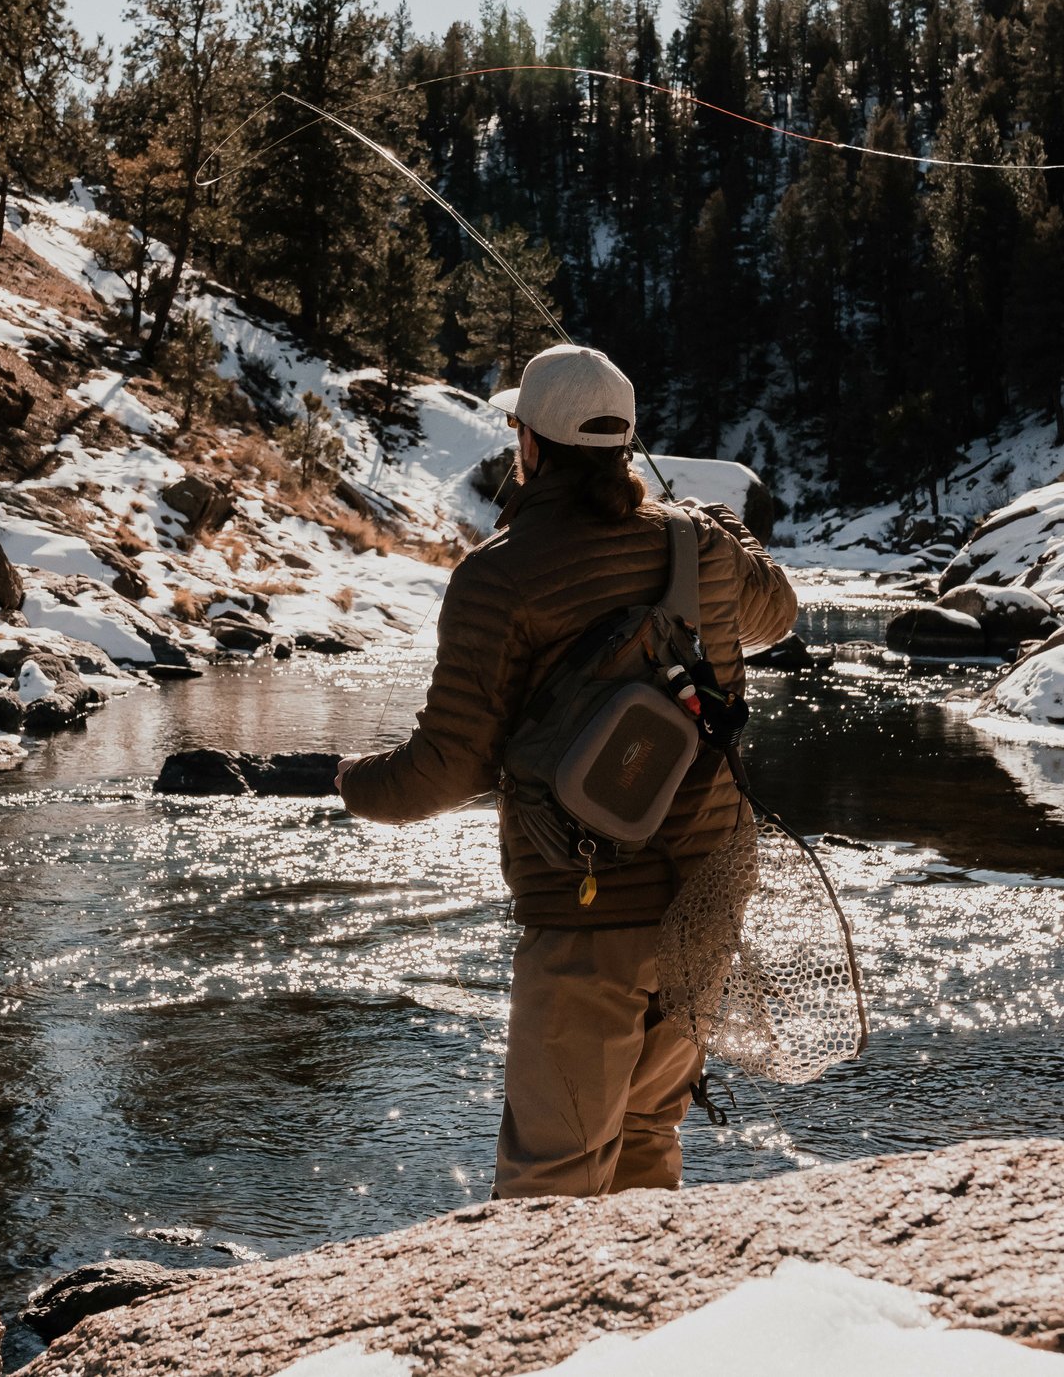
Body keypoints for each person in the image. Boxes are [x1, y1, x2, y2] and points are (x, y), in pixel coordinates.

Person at [335, 343, 797, 1199]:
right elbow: (779, 611)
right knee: (649, 1128)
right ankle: (649, 1323)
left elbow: (444, 769)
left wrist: (352, 780)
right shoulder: (701, 545)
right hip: (713, 888)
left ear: (533, 448)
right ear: (624, 449)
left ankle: (550, 1334)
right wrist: (717, 533)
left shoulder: (498, 577)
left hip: (592, 914)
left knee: (553, 1175)